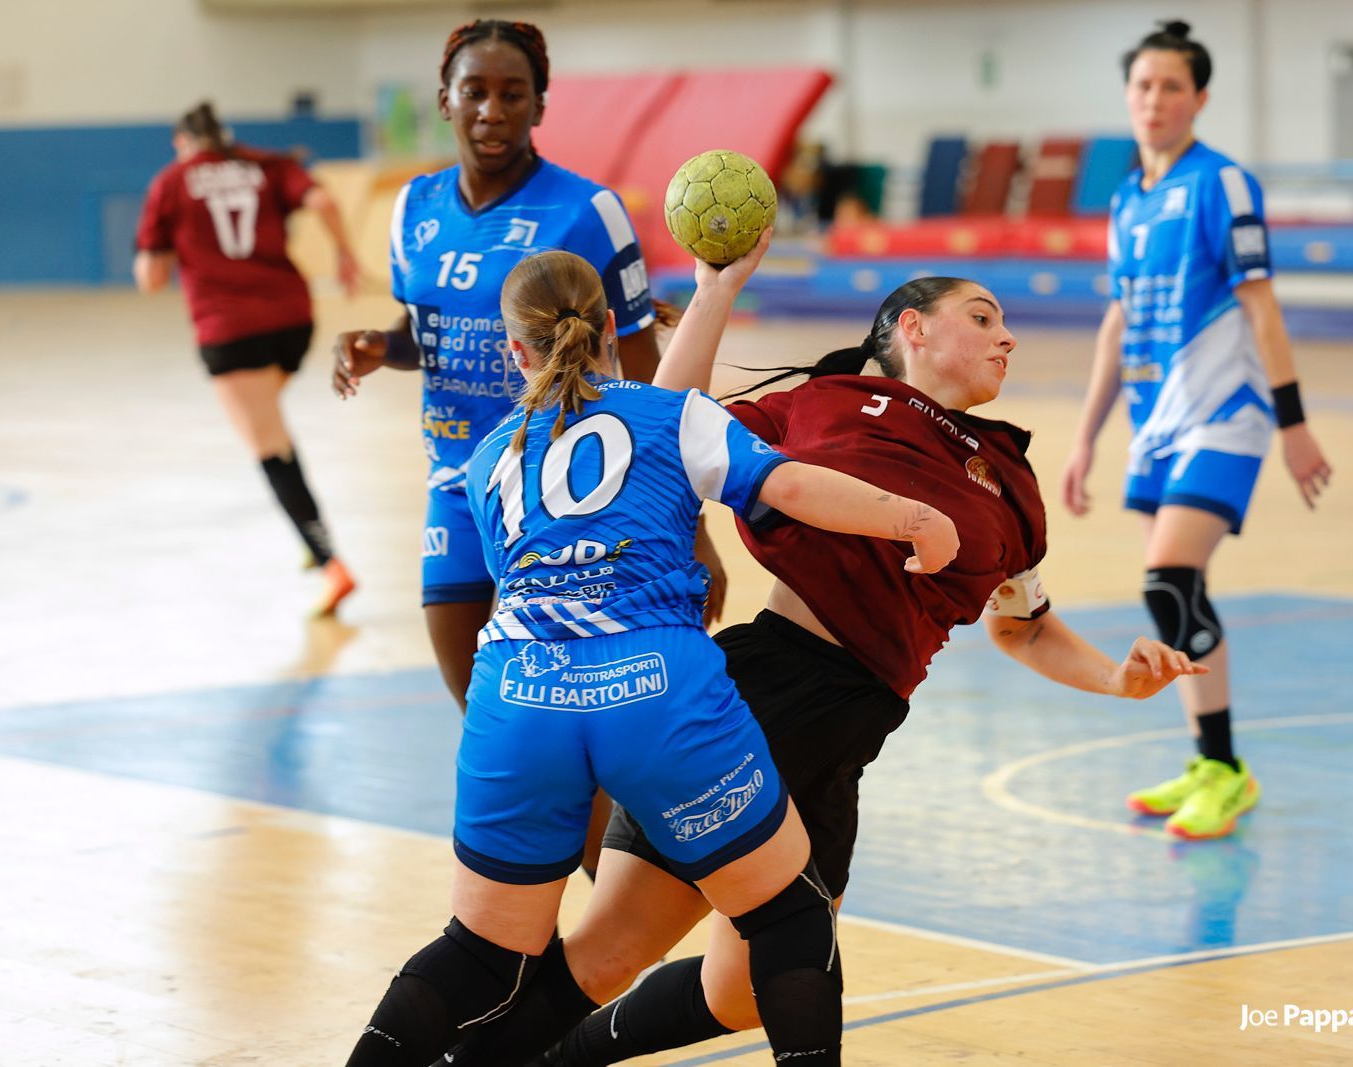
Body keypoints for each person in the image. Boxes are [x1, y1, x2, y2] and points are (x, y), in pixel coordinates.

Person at [525, 248, 1207, 1065]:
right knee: (616, 955)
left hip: (850, 735)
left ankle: (551, 1054)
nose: (1007, 337)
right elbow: (666, 429)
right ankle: (476, 1049)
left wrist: (1115, 679)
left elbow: (1021, 624)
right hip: (765, 696)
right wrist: (716, 290)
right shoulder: (826, 403)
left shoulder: (1012, 479)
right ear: (910, 328)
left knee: (738, 994)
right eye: (984, 317)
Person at [343, 244, 959, 1067]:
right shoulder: (671, 414)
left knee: (483, 954)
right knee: (786, 916)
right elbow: (792, 487)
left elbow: (514, 578)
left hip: (519, 696)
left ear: (514, 351)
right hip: (654, 690)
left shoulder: (489, 456)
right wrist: (913, 518)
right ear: (607, 327)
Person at [330, 19, 716, 871]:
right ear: (445, 101)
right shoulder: (413, 210)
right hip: (459, 486)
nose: (492, 110)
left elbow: (653, 367)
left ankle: (599, 913)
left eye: (513, 93)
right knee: (496, 716)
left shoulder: (586, 210)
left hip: (570, 492)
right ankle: (561, 921)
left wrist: (695, 528)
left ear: (542, 103)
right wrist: (380, 345)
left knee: (576, 722)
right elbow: (427, 326)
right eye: (475, 91)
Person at [1060, 20, 1334, 840]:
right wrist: (1086, 437)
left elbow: (1261, 306)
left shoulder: (1224, 183)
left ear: (1200, 98)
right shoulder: (1126, 198)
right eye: (1143, 85)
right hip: (1156, 423)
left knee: (1168, 581)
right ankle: (1208, 762)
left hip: (1227, 414)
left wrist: (1294, 424)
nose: (1155, 99)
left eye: (1172, 86)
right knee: (1182, 593)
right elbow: (1117, 320)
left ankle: (1225, 767)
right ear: (1128, 96)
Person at [135, 100, 360, 614]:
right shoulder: (267, 164)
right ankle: (313, 546)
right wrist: (346, 254)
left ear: (181, 142)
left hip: (230, 328)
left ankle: (330, 562)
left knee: (269, 447)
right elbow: (323, 202)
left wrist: (171, 248)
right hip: (293, 320)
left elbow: (150, 279)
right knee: (267, 422)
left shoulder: (171, 182)